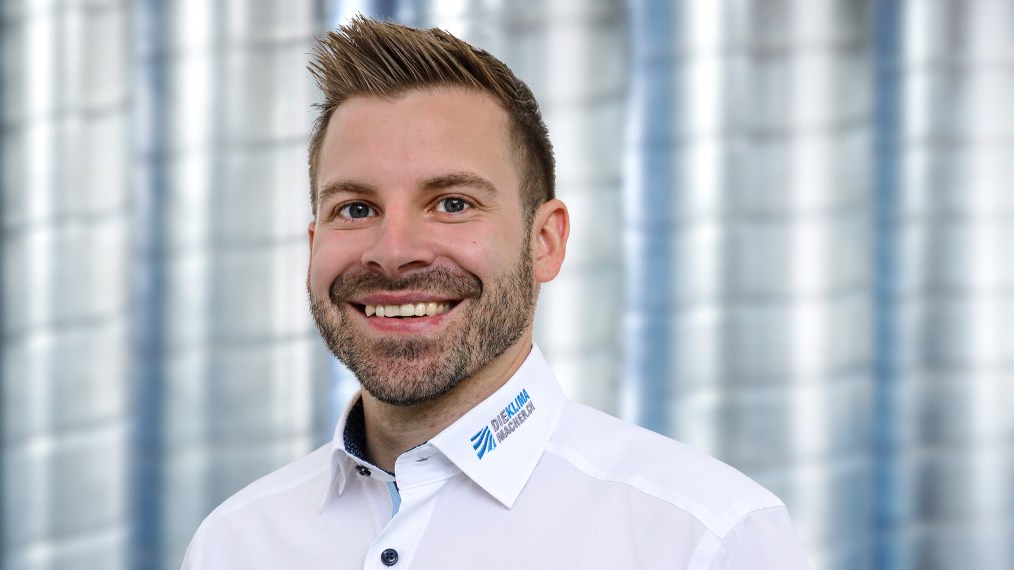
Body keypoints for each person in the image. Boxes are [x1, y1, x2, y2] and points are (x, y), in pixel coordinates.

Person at [183, 16, 810, 569]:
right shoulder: (232, 544)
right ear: (313, 242)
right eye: (356, 209)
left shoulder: (705, 540)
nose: (394, 251)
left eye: (452, 203)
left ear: (545, 242)